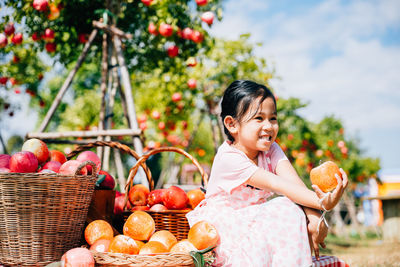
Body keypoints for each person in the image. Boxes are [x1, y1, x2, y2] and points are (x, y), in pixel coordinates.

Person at [186, 80, 348, 266]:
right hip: (225, 239)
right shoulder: (229, 158)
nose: (269, 126)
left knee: (295, 210)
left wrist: (315, 218)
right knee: (286, 208)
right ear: (232, 125)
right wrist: (323, 203)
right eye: (259, 118)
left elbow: (295, 186)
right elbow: (279, 185)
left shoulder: (271, 150)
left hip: (254, 230)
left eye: (273, 118)